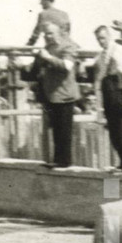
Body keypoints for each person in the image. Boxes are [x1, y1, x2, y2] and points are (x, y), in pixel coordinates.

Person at [36, 22, 80, 168]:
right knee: (56, 131)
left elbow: (67, 66)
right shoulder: (48, 48)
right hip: (52, 95)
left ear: (58, 33)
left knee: (64, 132)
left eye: (50, 33)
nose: (47, 36)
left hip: (65, 95)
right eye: (46, 34)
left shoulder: (68, 46)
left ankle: (64, 161)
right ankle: (57, 160)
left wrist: (48, 57)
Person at [93, 25, 122, 171]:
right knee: (114, 131)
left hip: (119, 92)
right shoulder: (103, 53)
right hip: (109, 93)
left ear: (109, 36)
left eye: (103, 38)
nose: (100, 41)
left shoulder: (118, 50)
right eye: (98, 39)